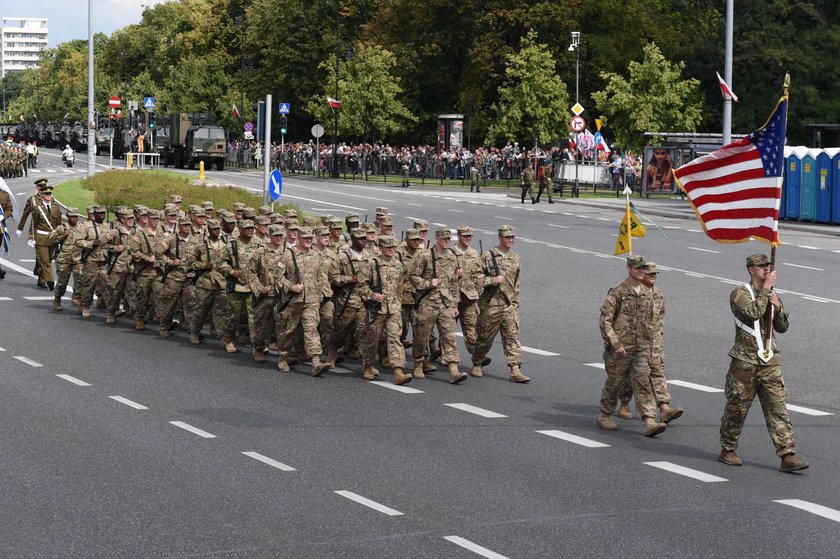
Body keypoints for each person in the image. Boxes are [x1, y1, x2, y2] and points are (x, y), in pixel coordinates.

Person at [718, 254, 809, 473]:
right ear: (751, 269)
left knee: (778, 408)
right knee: (737, 408)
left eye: (768, 265)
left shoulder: (772, 294)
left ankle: (787, 455)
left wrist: (777, 307)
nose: (766, 269)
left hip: (770, 362)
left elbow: (783, 326)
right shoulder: (740, 293)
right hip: (745, 362)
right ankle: (728, 448)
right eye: (761, 266)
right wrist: (767, 291)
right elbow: (752, 314)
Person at [597, 255, 667, 437]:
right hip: (620, 349)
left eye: (643, 268)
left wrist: (652, 347)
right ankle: (605, 414)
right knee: (615, 382)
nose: (641, 271)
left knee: (643, 381)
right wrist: (615, 343)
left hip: (642, 347)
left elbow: (651, 322)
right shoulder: (618, 292)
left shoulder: (647, 293)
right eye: (637, 268)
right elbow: (605, 321)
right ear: (629, 269)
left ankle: (650, 420)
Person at [616, 261, 684, 424]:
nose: (653, 276)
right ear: (641, 274)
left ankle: (664, 407)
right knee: (631, 374)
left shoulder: (658, 294)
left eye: (655, 274)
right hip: (634, 340)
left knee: (657, 369)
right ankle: (624, 403)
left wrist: (656, 340)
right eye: (650, 273)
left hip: (654, 340)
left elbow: (659, 318)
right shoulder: (632, 293)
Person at [470, 225, 529, 383]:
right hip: (491, 305)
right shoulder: (488, 256)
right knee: (485, 337)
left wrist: (515, 302)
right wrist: (492, 280)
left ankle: (515, 369)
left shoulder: (515, 257)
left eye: (512, 237)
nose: (510, 240)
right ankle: (477, 362)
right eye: (507, 237)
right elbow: (475, 276)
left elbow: (516, 282)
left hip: (509, 305)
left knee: (512, 336)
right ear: (500, 238)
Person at [410, 226, 467, 384]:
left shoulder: (452, 257)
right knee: (422, 336)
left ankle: (453, 370)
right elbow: (413, 276)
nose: (447, 241)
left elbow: (454, 283)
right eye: (444, 239)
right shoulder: (425, 256)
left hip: (445, 303)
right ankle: (418, 364)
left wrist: (455, 304)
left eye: (449, 239)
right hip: (428, 303)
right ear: (437, 239)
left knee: (449, 336)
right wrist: (428, 283)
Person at [360, 234, 412, 385]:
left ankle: (398, 371)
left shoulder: (399, 265)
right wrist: (372, 295)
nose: (391, 250)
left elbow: (402, 285)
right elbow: (360, 287)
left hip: (394, 309)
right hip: (377, 309)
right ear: (381, 248)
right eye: (388, 247)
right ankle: (368, 366)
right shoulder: (371, 264)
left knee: (395, 339)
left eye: (393, 247)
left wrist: (399, 302)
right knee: (372, 340)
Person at [16, 181, 61, 288]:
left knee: (48, 260)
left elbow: (58, 224)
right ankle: (50, 280)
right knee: (44, 261)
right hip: (40, 237)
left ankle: (41, 280)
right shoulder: (34, 203)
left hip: (52, 238)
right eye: (46, 193)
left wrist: (60, 238)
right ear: (40, 191)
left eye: (50, 194)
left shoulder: (55, 206)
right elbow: (31, 221)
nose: (48, 195)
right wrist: (24, 231)